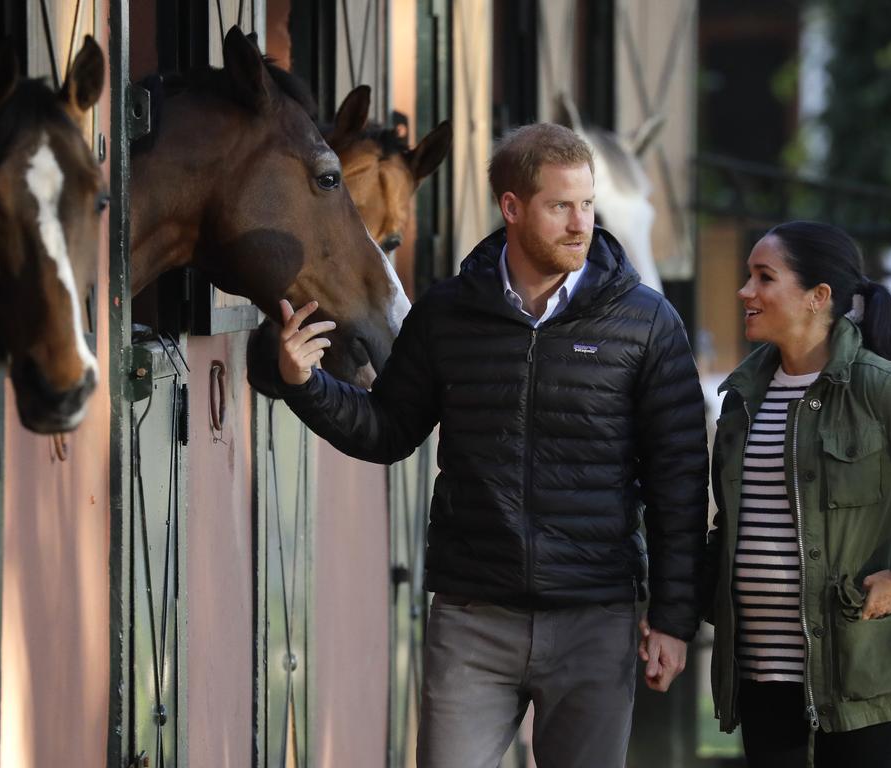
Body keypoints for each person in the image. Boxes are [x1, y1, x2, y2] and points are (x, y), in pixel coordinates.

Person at [276, 122, 709, 768]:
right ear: (512, 208)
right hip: (474, 619)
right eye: (560, 206)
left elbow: (678, 482)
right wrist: (304, 385)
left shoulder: (646, 324)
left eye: (587, 205)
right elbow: (389, 427)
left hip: (596, 619)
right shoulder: (449, 315)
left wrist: (674, 618)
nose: (580, 223)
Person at [705, 220, 891, 768]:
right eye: (747, 276)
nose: (745, 291)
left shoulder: (882, 390)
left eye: (764, 277)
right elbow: (730, 530)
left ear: (819, 297)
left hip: (866, 672)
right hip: (762, 673)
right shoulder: (742, 397)